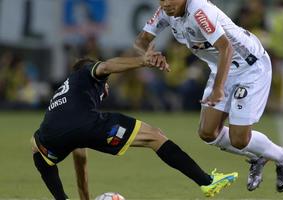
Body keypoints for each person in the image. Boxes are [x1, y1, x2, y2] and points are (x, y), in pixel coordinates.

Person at [30, 43, 238, 200]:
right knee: (154, 137)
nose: (108, 87)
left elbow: (79, 155)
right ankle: (207, 182)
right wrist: (143, 61)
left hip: (50, 134)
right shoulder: (87, 72)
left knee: (37, 147)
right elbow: (108, 66)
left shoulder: (65, 94)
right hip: (87, 124)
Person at [134, 0, 283, 192]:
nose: (166, 3)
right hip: (222, 67)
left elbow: (226, 48)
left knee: (240, 140)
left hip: (250, 66)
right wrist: (149, 55)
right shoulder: (165, 11)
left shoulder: (199, 11)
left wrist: (218, 88)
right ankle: (258, 154)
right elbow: (141, 41)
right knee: (208, 133)